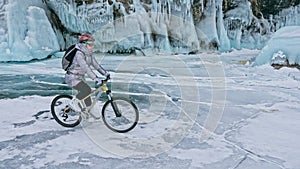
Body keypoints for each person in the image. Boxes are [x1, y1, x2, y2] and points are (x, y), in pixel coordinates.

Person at [65, 33, 110, 110]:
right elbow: (86, 68)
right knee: (86, 90)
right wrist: (95, 78)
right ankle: (73, 103)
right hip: (72, 77)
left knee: (87, 94)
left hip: (80, 77)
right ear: (84, 44)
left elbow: (96, 65)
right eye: (90, 44)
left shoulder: (89, 54)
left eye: (93, 44)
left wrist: (105, 73)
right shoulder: (79, 54)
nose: (92, 46)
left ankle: (88, 110)